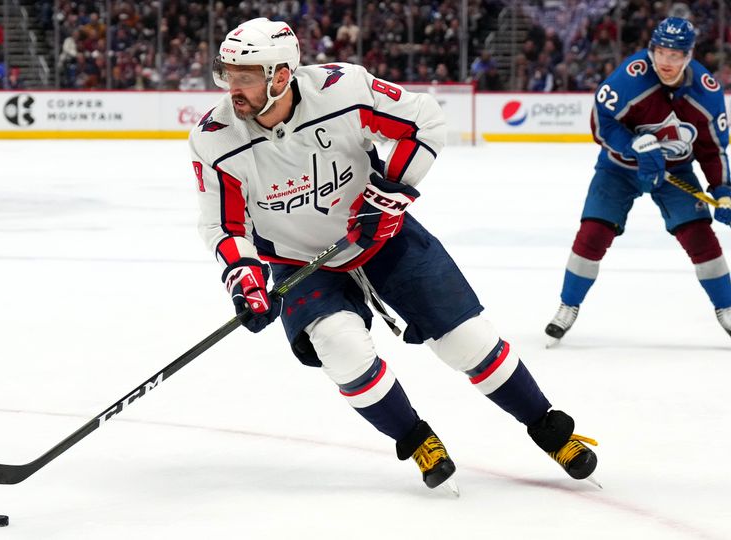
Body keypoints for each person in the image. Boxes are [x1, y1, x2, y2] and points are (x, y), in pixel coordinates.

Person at [189, 17, 598, 491]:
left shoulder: (344, 91)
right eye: (227, 73)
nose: (230, 87)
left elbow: (425, 121)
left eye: (245, 76)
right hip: (297, 260)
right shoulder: (215, 136)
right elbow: (223, 223)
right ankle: (416, 437)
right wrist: (244, 276)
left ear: (281, 75)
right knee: (340, 348)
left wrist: (387, 196)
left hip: (381, 237)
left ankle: (549, 428)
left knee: (466, 340)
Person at [545, 17, 731, 345]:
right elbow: (601, 124)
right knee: (593, 233)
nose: (666, 62)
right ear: (651, 50)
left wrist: (723, 189)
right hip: (618, 169)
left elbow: (712, 149)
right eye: (660, 53)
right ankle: (567, 305)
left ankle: (727, 308)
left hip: (675, 174)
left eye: (675, 55)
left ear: (689, 56)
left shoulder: (706, 92)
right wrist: (634, 145)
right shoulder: (630, 78)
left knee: (700, 236)